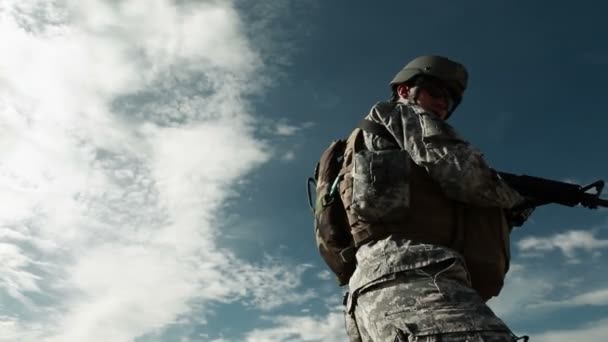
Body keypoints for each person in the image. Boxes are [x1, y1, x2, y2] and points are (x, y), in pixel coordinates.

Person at [339, 56, 532, 341]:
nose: (444, 104)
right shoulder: (402, 114)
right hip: (417, 275)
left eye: (451, 101)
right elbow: (464, 174)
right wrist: (516, 200)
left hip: (369, 294)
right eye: (436, 93)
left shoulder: (361, 145)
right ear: (405, 91)